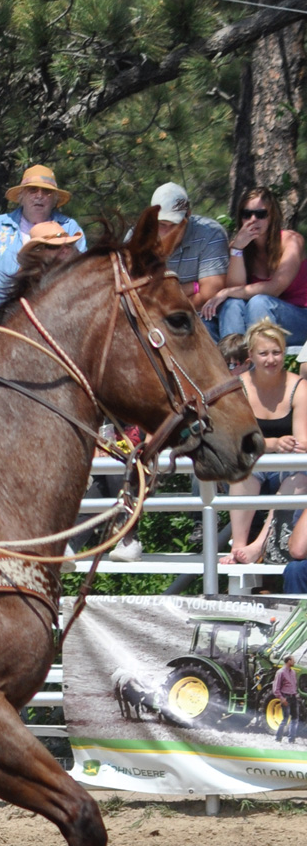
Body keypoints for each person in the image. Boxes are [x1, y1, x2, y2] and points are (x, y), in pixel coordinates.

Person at [219, 320, 307, 565]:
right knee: (242, 473)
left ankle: (258, 545)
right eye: (264, 353)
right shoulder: (238, 387)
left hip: (287, 466)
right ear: (251, 356)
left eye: (276, 352)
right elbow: (236, 439)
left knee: (300, 476)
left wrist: (292, 445)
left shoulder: (299, 387)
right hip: (253, 460)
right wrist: (273, 443)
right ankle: (238, 547)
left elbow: (304, 440)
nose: (271, 359)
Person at [0, 164, 87, 315]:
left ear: (55, 200)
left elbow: (82, 274)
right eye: (33, 190)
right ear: (21, 197)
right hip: (1, 327)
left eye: (47, 191)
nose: (39, 195)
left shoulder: (70, 230)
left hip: (54, 323)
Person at [203, 187, 307, 348]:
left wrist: (225, 292)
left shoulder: (292, 240)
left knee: (259, 302)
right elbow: (236, 290)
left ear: (272, 217)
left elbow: (275, 289)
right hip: (259, 318)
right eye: (247, 214)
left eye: (260, 214)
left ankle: (260, 368)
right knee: (232, 305)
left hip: (299, 318)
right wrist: (237, 249)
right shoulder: (239, 247)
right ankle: (234, 364)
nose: (253, 219)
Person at [149, 183, 229, 333]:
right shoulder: (137, 238)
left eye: (174, 225)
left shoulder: (211, 234)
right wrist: (193, 287)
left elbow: (208, 295)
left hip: (199, 319)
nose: (168, 231)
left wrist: (161, 299)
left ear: (189, 214)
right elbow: (139, 294)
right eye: (161, 224)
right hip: (149, 321)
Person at [273, 655, 299, 745]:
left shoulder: (293, 672)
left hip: (293, 697)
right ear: (288, 661)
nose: (294, 662)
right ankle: (278, 738)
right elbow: (276, 688)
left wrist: (296, 695)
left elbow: (294, 685)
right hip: (286, 697)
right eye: (293, 660)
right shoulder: (280, 672)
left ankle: (291, 739)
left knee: (295, 718)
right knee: (285, 718)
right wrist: (282, 698)